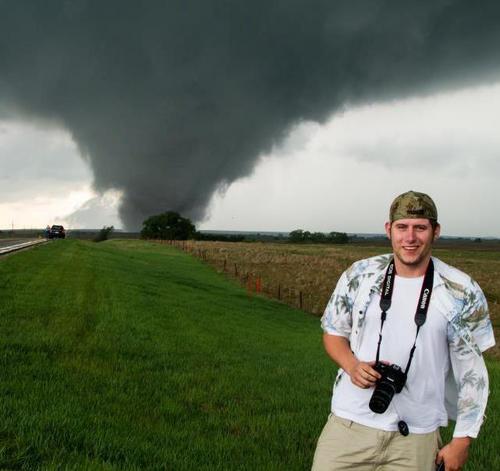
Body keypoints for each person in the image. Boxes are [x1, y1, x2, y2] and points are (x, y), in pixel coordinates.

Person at [312, 191, 495, 471]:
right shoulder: (359, 275)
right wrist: (352, 365)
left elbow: (472, 372)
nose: (410, 238)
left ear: (436, 231)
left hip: (417, 437)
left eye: (420, 228)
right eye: (402, 227)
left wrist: (462, 441)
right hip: (348, 428)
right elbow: (333, 332)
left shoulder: (462, 291)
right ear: (389, 230)